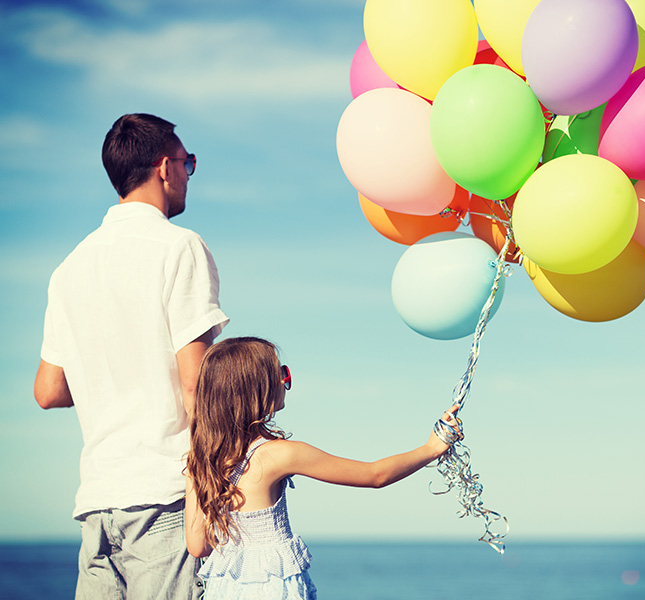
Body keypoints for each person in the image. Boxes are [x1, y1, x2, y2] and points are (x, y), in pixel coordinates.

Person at [33, 113, 229, 599]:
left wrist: (112, 370)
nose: (188, 174)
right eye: (188, 162)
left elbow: (48, 390)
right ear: (165, 167)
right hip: (163, 497)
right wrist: (216, 486)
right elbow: (194, 385)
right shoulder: (179, 247)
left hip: (98, 503)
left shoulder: (69, 268)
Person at [185, 336, 462, 598]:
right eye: (281, 374)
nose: (285, 381)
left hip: (226, 588)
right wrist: (431, 448)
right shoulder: (280, 454)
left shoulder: (199, 459)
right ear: (258, 389)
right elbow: (375, 475)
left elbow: (197, 546)